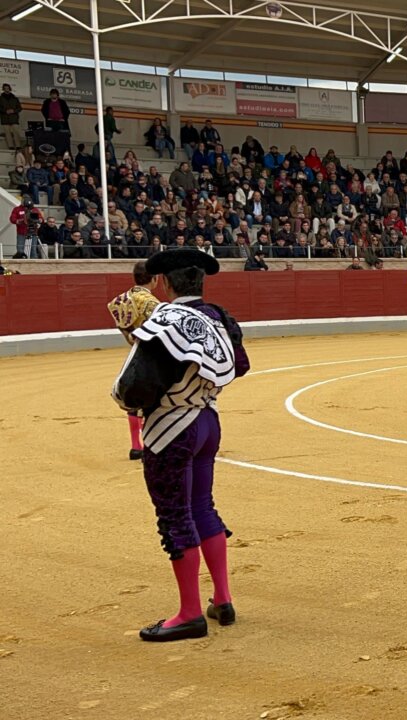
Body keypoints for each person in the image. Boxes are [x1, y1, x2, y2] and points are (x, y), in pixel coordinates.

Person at [111, 248, 250, 641]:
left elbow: (134, 388)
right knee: (202, 506)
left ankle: (190, 613)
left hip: (172, 428)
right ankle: (222, 599)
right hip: (208, 421)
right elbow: (239, 365)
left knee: (175, 514)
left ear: (164, 283)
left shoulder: (164, 321)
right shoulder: (219, 316)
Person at [107, 261, 162, 461]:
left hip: (134, 353)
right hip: (152, 355)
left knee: (133, 398)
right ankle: (150, 444)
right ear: (155, 279)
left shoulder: (121, 300)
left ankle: (135, 446)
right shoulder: (152, 303)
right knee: (156, 400)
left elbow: (127, 331)